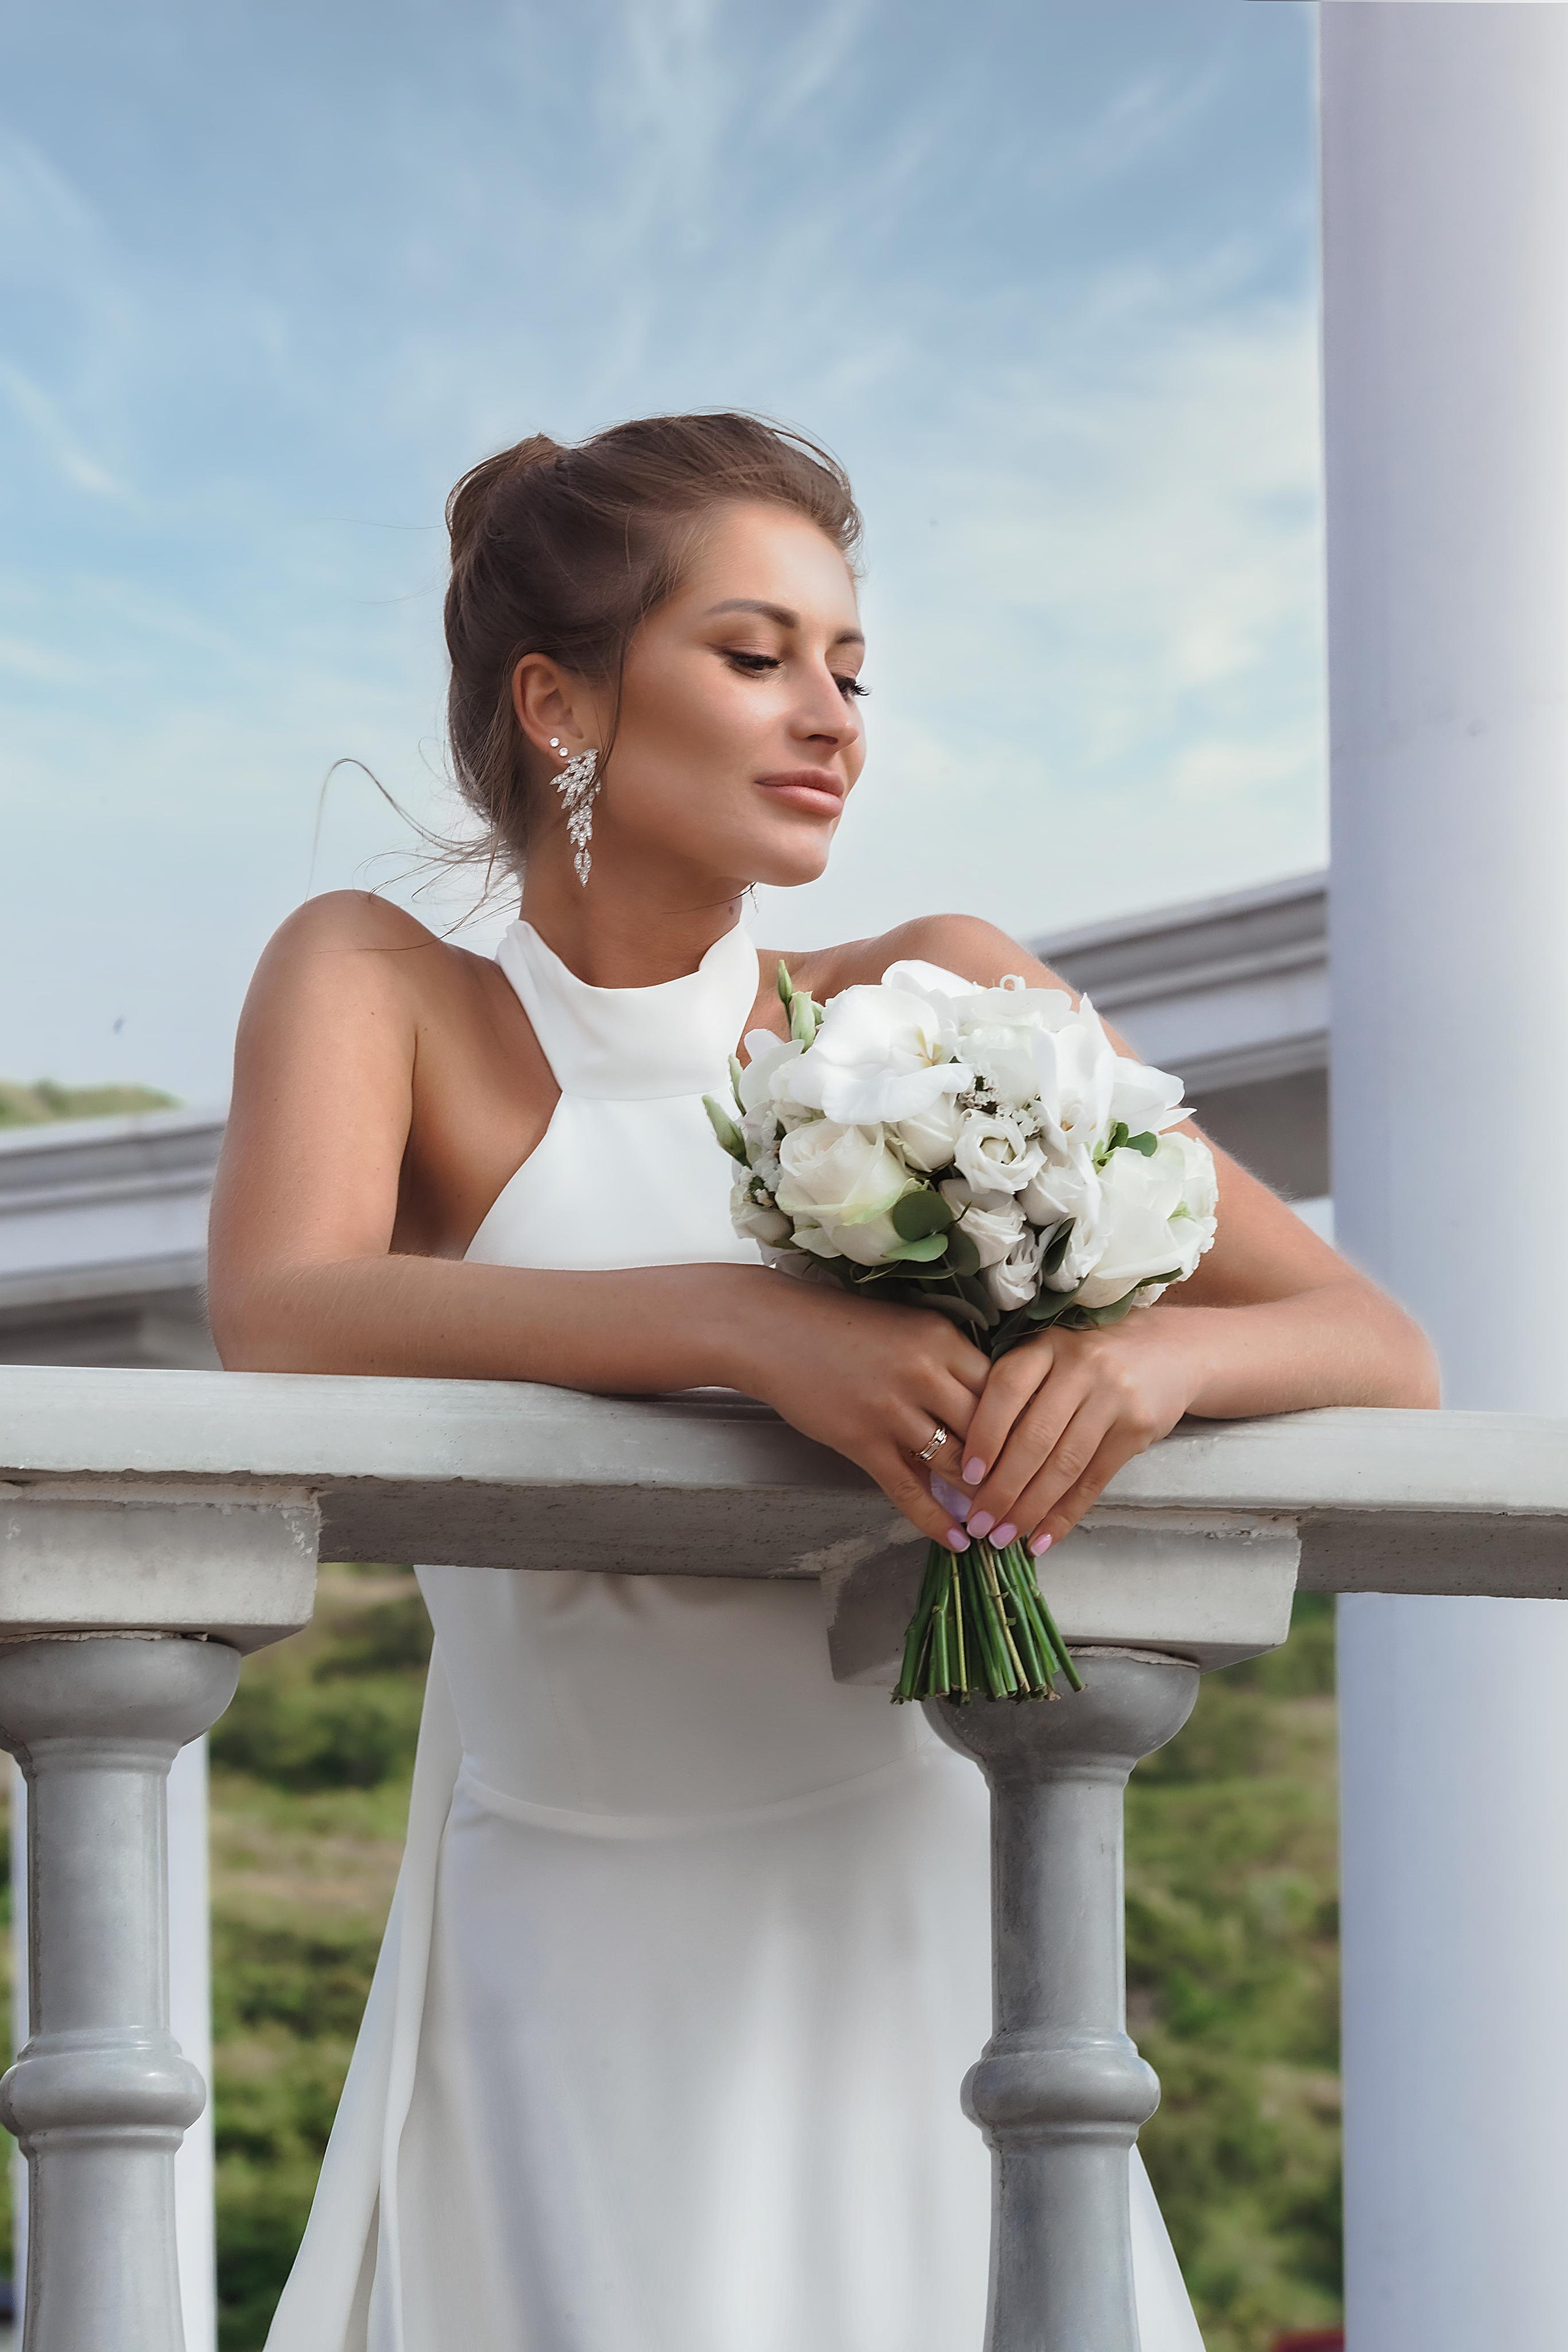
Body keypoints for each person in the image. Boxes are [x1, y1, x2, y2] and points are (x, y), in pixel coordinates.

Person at [208, 412, 1437, 2352]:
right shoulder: (383, 987)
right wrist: (744, 1320)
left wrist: (1150, 1362)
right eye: (758, 654)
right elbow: (283, 1309)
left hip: (911, 1896)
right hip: (572, 1921)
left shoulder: (932, 1002)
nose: (832, 717)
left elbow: (1379, 1348)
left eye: (852, 670)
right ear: (560, 701)